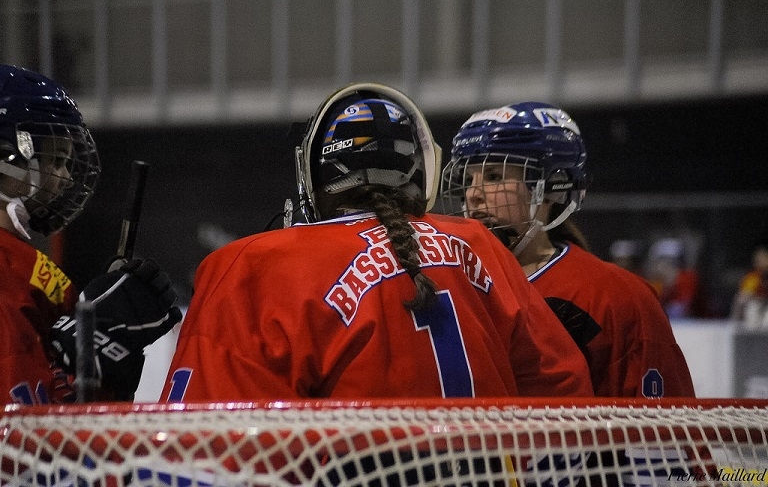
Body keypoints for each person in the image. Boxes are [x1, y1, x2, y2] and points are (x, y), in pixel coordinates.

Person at [161, 83, 593, 402]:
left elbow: (209, 439)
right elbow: (562, 388)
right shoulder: (478, 243)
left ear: (315, 175)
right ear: (419, 171)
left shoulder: (252, 263)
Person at [441, 101, 695, 398]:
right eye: (468, 179)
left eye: (494, 177)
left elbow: (660, 437)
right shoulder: (449, 284)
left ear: (551, 187)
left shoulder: (618, 297)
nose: (473, 194)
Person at [0, 64, 182, 403]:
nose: (65, 178)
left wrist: (97, 361)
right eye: (55, 160)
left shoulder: (27, 271)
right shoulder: (11, 272)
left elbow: (56, 411)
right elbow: (22, 434)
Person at [645, 236, 710, 320]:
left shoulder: (688, 277)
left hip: (701, 324)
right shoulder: (656, 282)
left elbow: (682, 308)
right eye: (659, 262)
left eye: (668, 262)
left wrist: (672, 283)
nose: (661, 267)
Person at [729, 234, 768, 329]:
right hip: (758, 309)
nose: (758, 259)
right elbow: (741, 299)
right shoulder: (753, 277)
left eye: (763, 257)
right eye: (757, 256)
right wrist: (734, 322)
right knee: (753, 308)